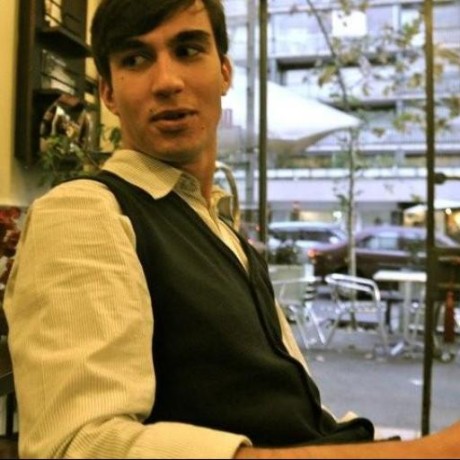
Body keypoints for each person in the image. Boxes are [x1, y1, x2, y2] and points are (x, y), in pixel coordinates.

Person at [4, 0, 459, 458]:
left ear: (224, 72)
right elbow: (77, 444)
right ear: (107, 92)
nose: (167, 81)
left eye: (188, 50)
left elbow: (291, 410)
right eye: (136, 59)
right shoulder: (84, 213)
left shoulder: (220, 230)